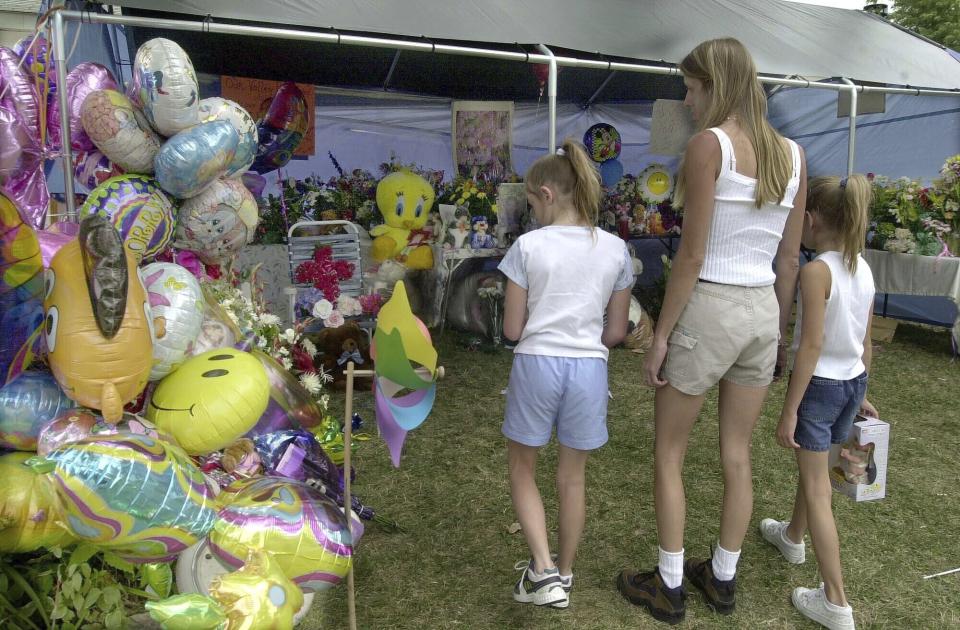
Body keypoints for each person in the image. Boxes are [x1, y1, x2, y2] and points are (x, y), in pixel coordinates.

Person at [616, 37, 807, 624]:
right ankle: (721, 576)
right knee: (736, 455)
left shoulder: (710, 146)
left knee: (669, 453)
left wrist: (663, 334)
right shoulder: (793, 155)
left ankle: (670, 583)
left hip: (711, 308)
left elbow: (693, 255)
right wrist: (778, 334)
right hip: (760, 313)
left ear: (715, 85)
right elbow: (789, 261)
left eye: (692, 87)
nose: (687, 98)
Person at [498, 138, 634, 609]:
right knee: (572, 478)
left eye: (531, 202)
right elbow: (616, 330)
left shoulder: (527, 246)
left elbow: (513, 329)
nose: (531, 211)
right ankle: (566, 573)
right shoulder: (616, 249)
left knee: (522, 468)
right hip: (589, 368)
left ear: (547, 194)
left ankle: (542, 569)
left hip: (537, 362)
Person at [761, 174, 876, 630]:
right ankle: (792, 537)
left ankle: (836, 601)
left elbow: (809, 347)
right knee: (815, 475)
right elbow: (865, 341)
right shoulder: (863, 268)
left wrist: (790, 408)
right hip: (851, 384)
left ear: (810, 220)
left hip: (822, 388)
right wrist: (863, 391)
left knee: (818, 488)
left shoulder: (815, 271)